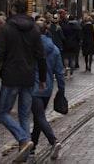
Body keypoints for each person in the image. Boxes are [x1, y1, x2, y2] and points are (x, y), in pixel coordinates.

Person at [0, 0, 48, 163]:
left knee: (3, 112)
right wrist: (42, 77)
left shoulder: (5, 28)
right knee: (24, 115)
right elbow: (41, 56)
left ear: (13, 8)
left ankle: (23, 139)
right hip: (29, 76)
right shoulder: (35, 29)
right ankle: (26, 155)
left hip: (11, 76)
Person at [31, 19, 64, 160]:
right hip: (48, 88)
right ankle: (33, 146)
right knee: (39, 117)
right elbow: (60, 72)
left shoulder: (31, 48)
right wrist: (61, 90)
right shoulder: (55, 49)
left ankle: (53, 141)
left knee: (39, 116)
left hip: (34, 86)